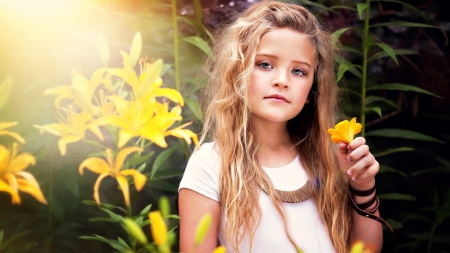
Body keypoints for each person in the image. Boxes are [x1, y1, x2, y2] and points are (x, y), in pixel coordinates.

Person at [178, 1, 392, 252]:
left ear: (313, 89)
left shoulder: (332, 159)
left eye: (299, 71)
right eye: (265, 64)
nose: (282, 81)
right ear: (238, 72)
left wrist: (362, 185)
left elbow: (366, 249)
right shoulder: (211, 164)